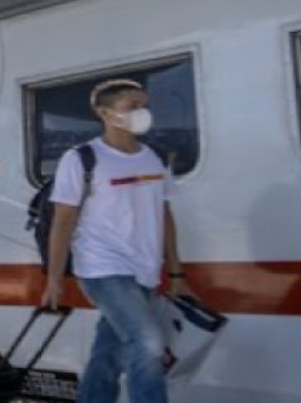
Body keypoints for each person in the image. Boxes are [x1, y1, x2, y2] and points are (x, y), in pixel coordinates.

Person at [41, 79, 194, 403]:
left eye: (144, 105)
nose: (142, 112)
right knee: (148, 343)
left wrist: (176, 272)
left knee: (108, 354)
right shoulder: (81, 158)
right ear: (105, 113)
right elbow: (63, 221)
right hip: (102, 266)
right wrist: (53, 278)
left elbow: (165, 216)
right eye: (132, 106)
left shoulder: (153, 157)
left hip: (145, 268)